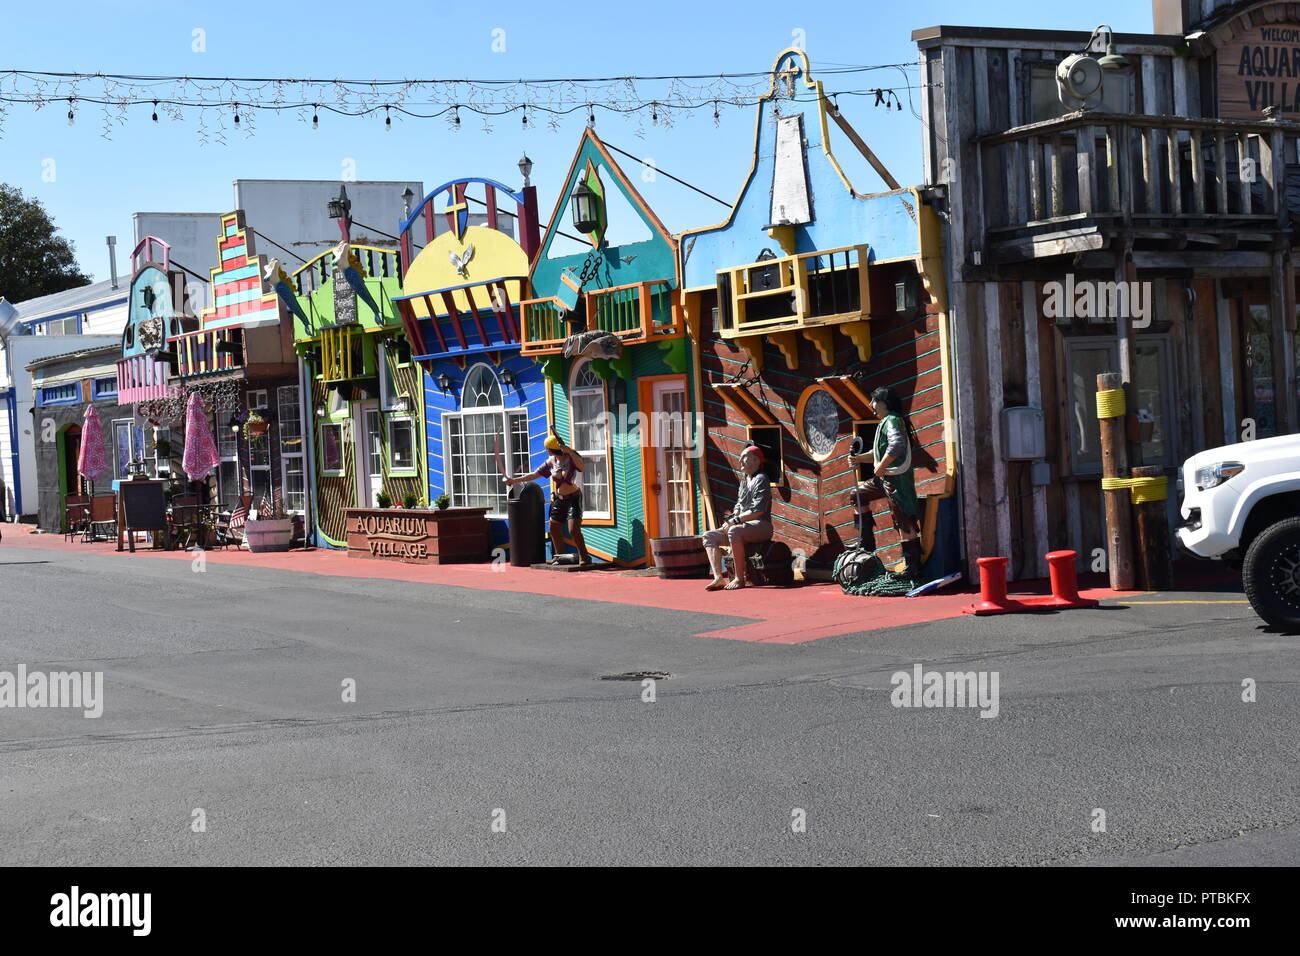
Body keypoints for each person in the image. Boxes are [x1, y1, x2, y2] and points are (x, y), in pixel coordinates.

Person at [849, 386, 923, 578]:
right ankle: (866, 543)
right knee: (858, 495)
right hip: (885, 478)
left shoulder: (892, 420)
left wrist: (881, 466)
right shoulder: (885, 422)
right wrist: (859, 459)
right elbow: (879, 452)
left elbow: (897, 445)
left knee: (903, 520)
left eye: (873, 400)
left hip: (897, 479)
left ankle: (912, 567)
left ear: (883, 401)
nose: (870, 405)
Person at [505, 432, 592, 566]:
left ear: (551, 449)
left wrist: (570, 451)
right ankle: (559, 557)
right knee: (554, 527)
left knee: (573, 529)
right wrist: (514, 480)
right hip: (560, 498)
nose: (546, 451)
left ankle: (585, 557)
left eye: (547, 448)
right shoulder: (551, 461)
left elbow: (582, 467)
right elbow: (534, 474)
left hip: (573, 498)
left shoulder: (570, 458)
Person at [702, 445, 773, 591]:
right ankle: (718, 577)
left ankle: (740, 579)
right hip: (742, 525)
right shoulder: (744, 481)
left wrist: (735, 521)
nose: (740, 460)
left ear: (756, 460)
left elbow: (758, 510)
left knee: (734, 531)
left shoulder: (761, 479)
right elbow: (739, 505)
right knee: (709, 536)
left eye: (744, 457)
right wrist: (730, 520)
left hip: (761, 525)